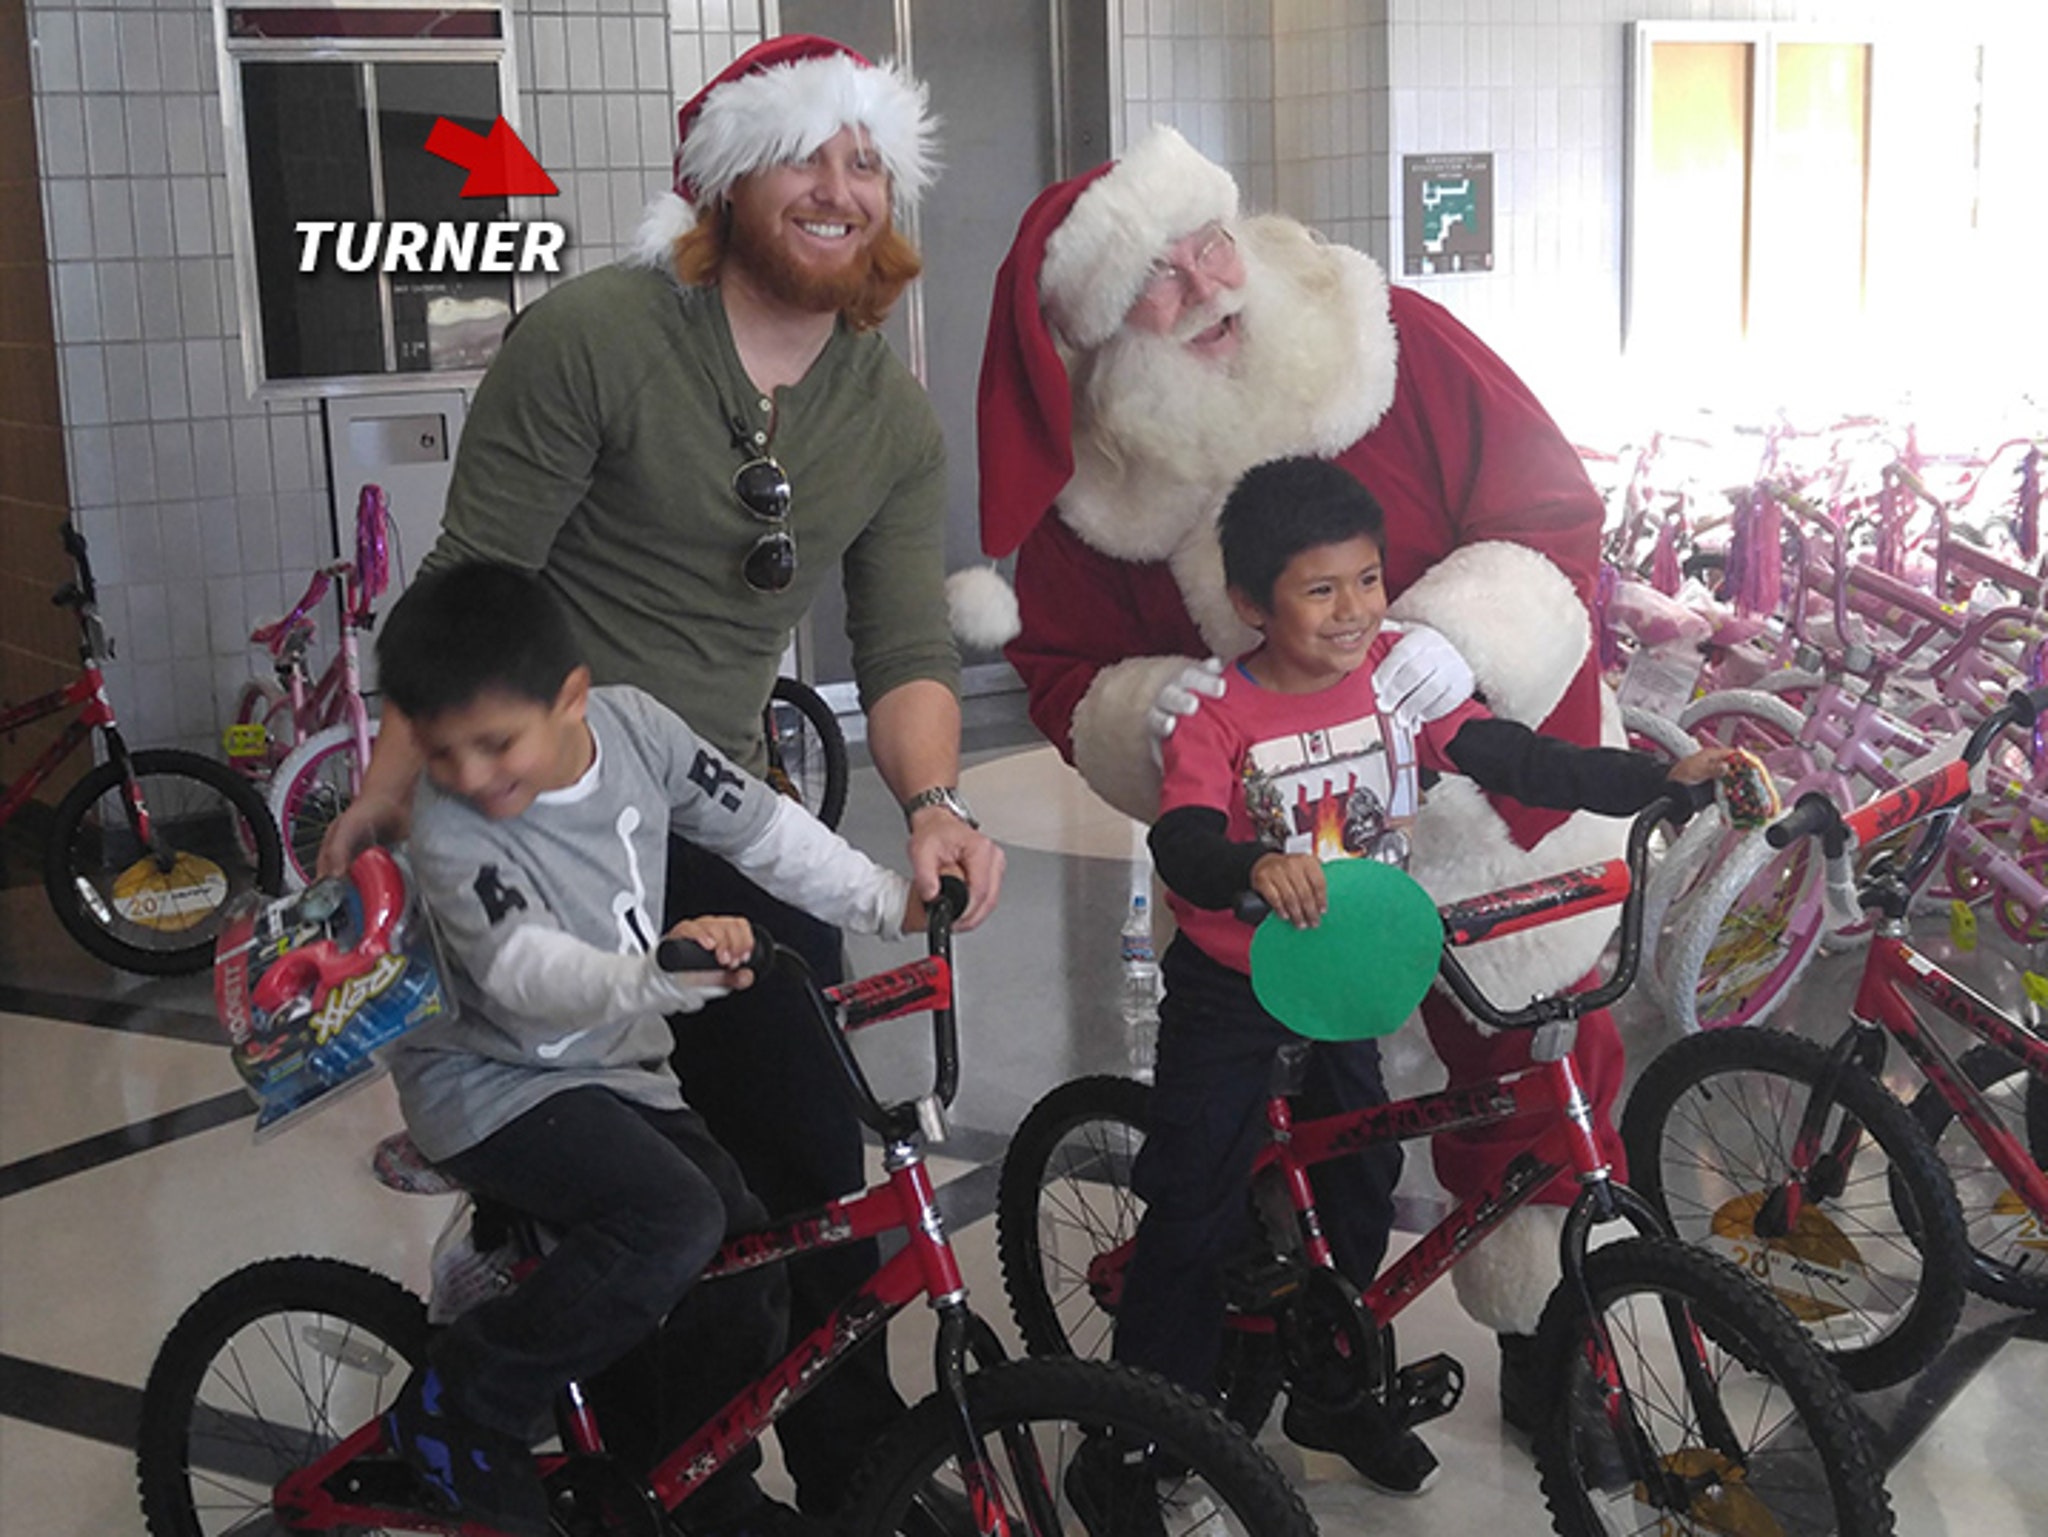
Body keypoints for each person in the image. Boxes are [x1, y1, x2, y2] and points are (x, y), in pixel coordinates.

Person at [319, 35, 1005, 1516]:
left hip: (714, 811)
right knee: (642, 1178)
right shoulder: (599, 338)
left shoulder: (885, 411)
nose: (838, 188)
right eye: (803, 155)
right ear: (724, 177)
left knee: (820, 1155)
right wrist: (380, 814)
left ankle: (853, 1458)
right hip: (536, 822)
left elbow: (898, 643)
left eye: (865, 159)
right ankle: (658, 1470)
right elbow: (474, 575)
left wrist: (939, 808)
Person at [963, 123, 1618, 1413]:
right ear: (1096, 331)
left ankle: (1560, 1344)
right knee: (1297, 1118)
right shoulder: (1100, 480)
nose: (1205, 282)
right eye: (1154, 275)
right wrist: (1166, 715)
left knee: (1535, 1064)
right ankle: (1273, 1347)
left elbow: (1552, 511)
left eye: (1206, 241)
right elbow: (1061, 666)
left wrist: (1454, 641)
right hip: (1285, 851)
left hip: (1482, 789)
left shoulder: (1391, 342)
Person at [1130, 457, 1731, 1493]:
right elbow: (1181, 841)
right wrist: (1249, 867)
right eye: (1319, 590)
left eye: (1366, 580)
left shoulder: (1395, 683)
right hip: (1236, 988)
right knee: (1194, 1206)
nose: (1354, 610)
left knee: (1359, 1187)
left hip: (1346, 980)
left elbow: (1513, 757)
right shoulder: (1216, 715)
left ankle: (1329, 1390)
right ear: (1248, 604)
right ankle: (1135, 1441)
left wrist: (1648, 779)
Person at [372, 563, 932, 1536]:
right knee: (671, 1218)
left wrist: (889, 900)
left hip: (617, 1064)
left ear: (571, 700)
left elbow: (761, 830)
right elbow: (523, 974)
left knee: (747, 1256)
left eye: (494, 744)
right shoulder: (449, 826)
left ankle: (689, 1488)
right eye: (441, 751)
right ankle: (460, 1400)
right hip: (492, 1082)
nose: (467, 774)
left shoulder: (636, 729)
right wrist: (657, 978)